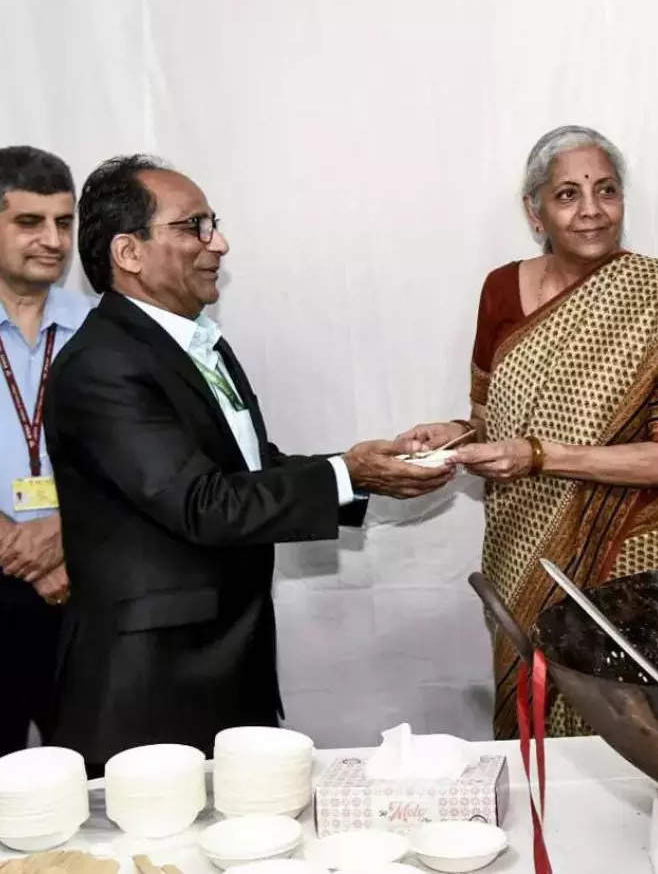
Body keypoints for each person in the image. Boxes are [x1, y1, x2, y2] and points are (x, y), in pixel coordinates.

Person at [44, 155, 454, 768]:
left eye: (214, 224)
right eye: (195, 227)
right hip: (150, 686)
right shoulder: (102, 365)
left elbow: (248, 472)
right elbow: (203, 504)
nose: (219, 243)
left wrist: (371, 470)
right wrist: (350, 473)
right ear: (129, 253)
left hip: (224, 663)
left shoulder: (197, 342)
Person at [399, 125, 658, 739]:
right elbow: (494, 420)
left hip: (646, 553)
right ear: (535, 212)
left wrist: (537, 456)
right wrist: (455, 435)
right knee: (545, 735)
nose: (591, 211)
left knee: (638, 734)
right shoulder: (501, 289)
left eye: (606, 190)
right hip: (526, 548)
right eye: (567, 194)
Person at [0, 146, 92, 755]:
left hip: (85, 576)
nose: (53, 240)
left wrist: (66, 529)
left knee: (95, 776)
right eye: (30, 222)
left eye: (64, 222)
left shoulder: (103, 326)